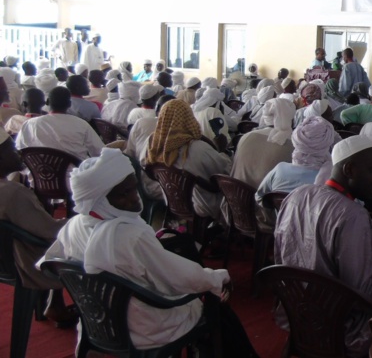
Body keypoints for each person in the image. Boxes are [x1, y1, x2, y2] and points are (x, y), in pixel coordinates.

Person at [38, 148, 256, 356]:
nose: (135, 198)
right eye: (123, 194)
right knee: (216, 305)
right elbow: (178, 278)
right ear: (99, 200)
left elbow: (51, 263)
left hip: (99, 321)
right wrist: (217, 277)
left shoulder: (73, 226)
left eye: (134, 188)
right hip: (146, 328)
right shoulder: (129, 236)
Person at [274, 136, 372, 357]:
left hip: (298, 312)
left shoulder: (297, 195)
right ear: (349, 170)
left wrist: (371, 253)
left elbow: (293, 254)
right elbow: (365, 294)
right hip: (342, 326)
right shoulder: (353, 215)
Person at [0, 130, 76, 326]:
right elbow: (50, 231)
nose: (18, 152)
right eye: (11, 149)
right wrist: (80, 221)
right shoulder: (13, 193)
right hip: (28, 263)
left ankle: (55, 303)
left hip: (6, 261)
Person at [146, 100, 231, 221]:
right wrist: (222, 151)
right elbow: (226, 173)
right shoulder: (198, 148)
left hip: (173, 201)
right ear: (189, 118)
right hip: (204, 206)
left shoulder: (154, 144)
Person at [255, 115, 333, 229]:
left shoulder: (280, 169)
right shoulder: (332, 180)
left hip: (281, 229)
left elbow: (259, 197)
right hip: (315, 236)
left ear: (296, 141)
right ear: (327, 143)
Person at [16, 87, 104, 160]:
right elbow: (100, 152)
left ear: (47, 102)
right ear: (69, 104)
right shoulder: (81, 124)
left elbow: (20, 150)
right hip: (76, 174)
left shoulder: (30, 124)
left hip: (40, 174)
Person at [231, 98, 295, 191]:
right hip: (264, 198)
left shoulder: (246, 136)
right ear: (289, 117)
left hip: (236, 194)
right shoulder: (293, 145)